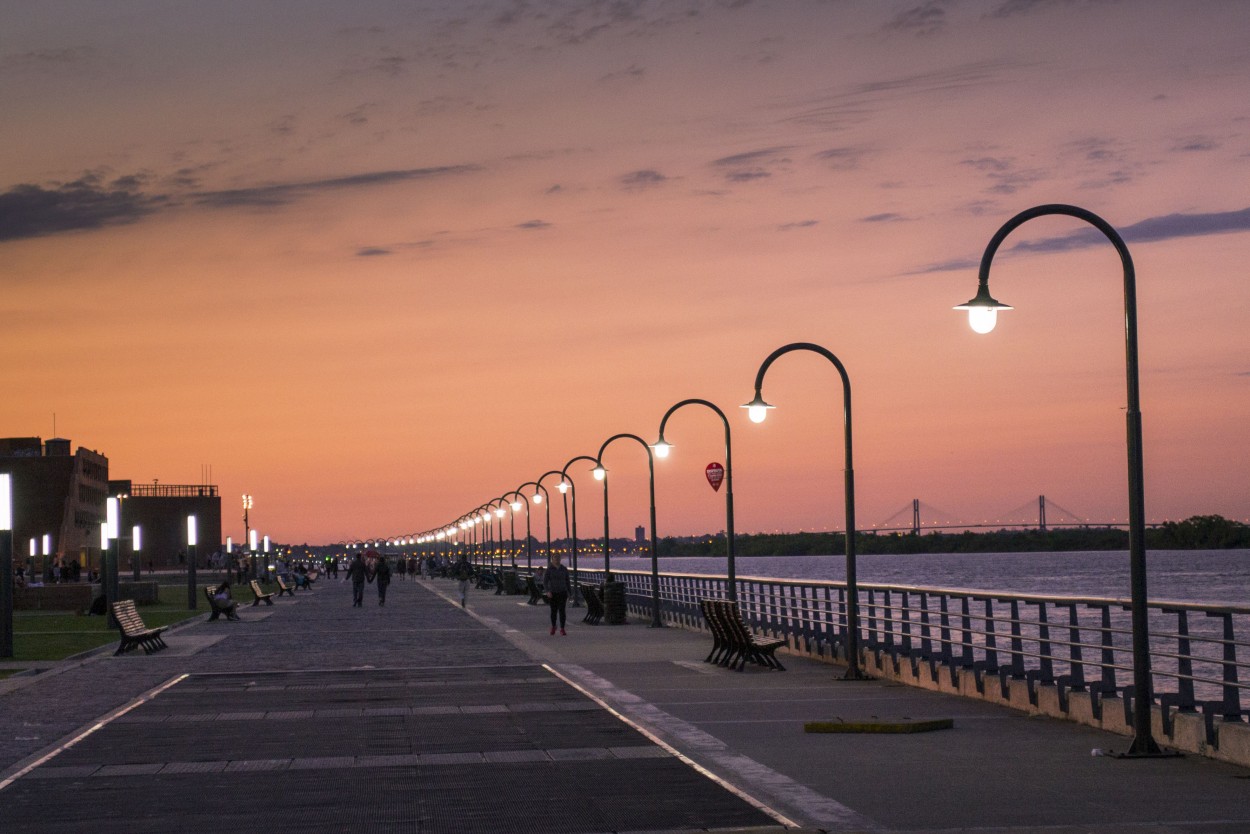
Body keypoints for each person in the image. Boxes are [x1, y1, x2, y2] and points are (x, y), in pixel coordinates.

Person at [542, 552, 571, 636]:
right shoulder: (549, 569)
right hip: (553, 592)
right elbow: (545, 581)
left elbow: (567, 581)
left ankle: (562, 628)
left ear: (560, 559)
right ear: (552, 559)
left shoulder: (564, 569)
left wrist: (569, 592)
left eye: (558, 557)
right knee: (553, 611)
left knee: (562, 611)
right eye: (555, 557)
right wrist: (547, 591)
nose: (557, 559)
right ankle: (553, 626)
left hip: (562, 592)